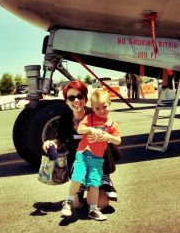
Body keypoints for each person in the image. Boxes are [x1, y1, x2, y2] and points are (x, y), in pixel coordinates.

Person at [42, 80, 119, 210]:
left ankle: (94, 190)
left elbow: (110, 130)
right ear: (66, 101)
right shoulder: (65, 119)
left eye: (80, 96)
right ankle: (77, 193)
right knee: (76, 206)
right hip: (78, 163)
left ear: (85, 98)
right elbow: (59, 139)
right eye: (71, 97)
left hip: (97, 162)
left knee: (101, 204)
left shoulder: (94, 113)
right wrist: (51, 142)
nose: (76, 100)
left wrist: (105, 137)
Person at [61, 89, 121, 221]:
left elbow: (118, 140)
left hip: (97, 160)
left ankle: (93, 209)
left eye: (104, 106)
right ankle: (69, 202)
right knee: (78, 177)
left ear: (109, 104)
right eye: (97, 108)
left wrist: (108, 136)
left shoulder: (111, 123)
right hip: (83, 155)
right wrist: (90, 129)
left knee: (94, 184)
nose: (101, 110)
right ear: (92, 108)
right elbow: (80, 129)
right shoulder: (89, 118)